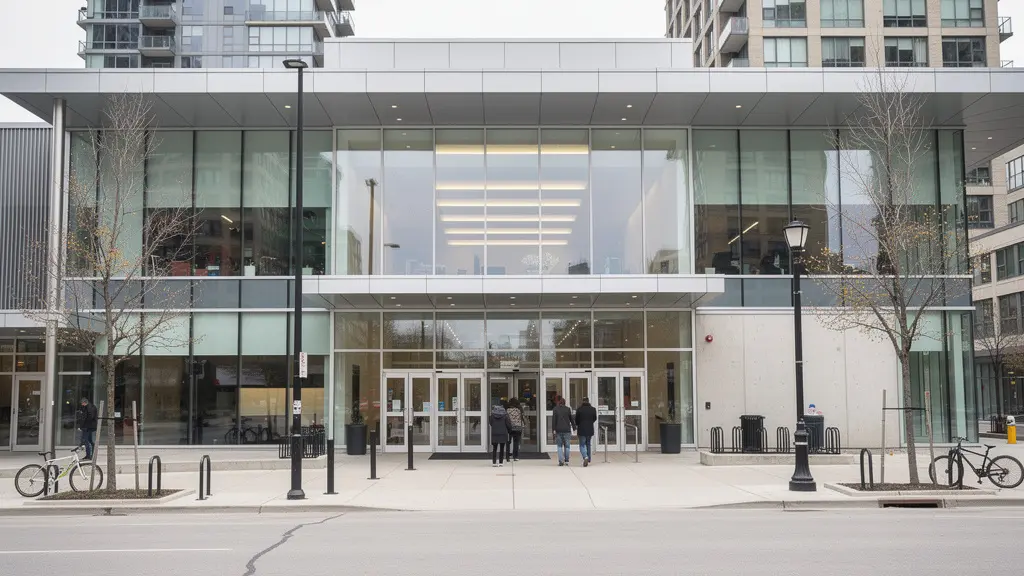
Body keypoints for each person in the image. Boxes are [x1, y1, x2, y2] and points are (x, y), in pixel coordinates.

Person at [551, 397, 576, 466]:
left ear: (559, 402)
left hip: (558, 430)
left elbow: (554, 420)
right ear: (564, 403)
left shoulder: (555, 409)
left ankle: (561, 461)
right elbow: (571, 419)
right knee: (567, 446)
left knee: (559, 446)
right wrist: (574, 427)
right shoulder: (567, 409)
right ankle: (567, 460)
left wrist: (553, 429)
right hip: (567, 430)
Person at [574, 396, 598, 467]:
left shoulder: (579, 409)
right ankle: (589, 458)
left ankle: (585, 457)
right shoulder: (593, 409)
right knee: (588, 444)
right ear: (588, 401)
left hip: (581, 429)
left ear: (583, 401)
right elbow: (595, 418)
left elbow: (576, 420)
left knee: (582, 444)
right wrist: (590, 423)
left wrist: (579, 424)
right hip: (590, 429)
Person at [488, 403, 512, 467]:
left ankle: (494, 462)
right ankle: (501, 462)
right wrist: (509, 431)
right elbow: (508, 425)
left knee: (494, 449)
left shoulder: (492, 416)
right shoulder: (505, 416)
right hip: (503, 433)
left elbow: (491, 423)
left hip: (494, 433)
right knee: (502, 448)